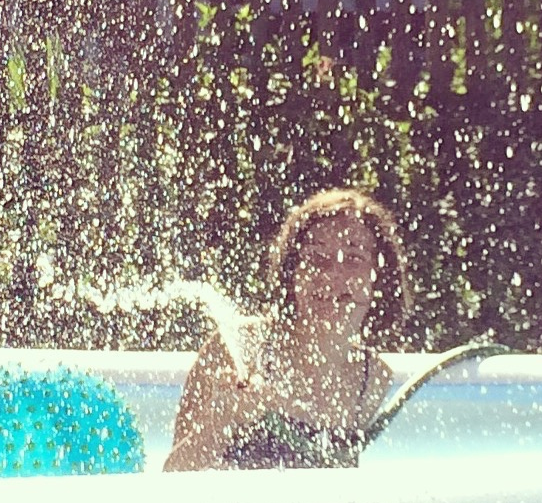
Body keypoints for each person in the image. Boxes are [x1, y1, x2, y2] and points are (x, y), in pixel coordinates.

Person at [163, 188, 409, 472]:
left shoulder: (372, 377)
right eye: (317, 257)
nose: (332, 275)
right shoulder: (239, 348)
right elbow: (171, 481)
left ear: (378, 277)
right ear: (293, 272)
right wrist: (221, 420)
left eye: (354, 258)